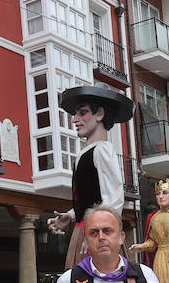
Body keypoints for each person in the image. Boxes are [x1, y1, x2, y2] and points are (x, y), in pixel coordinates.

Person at [47, 85, 133, 268]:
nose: (74, 120)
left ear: (99, 114)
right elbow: (91, 198)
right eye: (76, 114)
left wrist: (99, 234)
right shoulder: (85, 153)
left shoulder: (102, 150)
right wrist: (71, 215)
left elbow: (114, 199)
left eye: (82, 112)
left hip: (95, 232)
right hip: (83, 229)